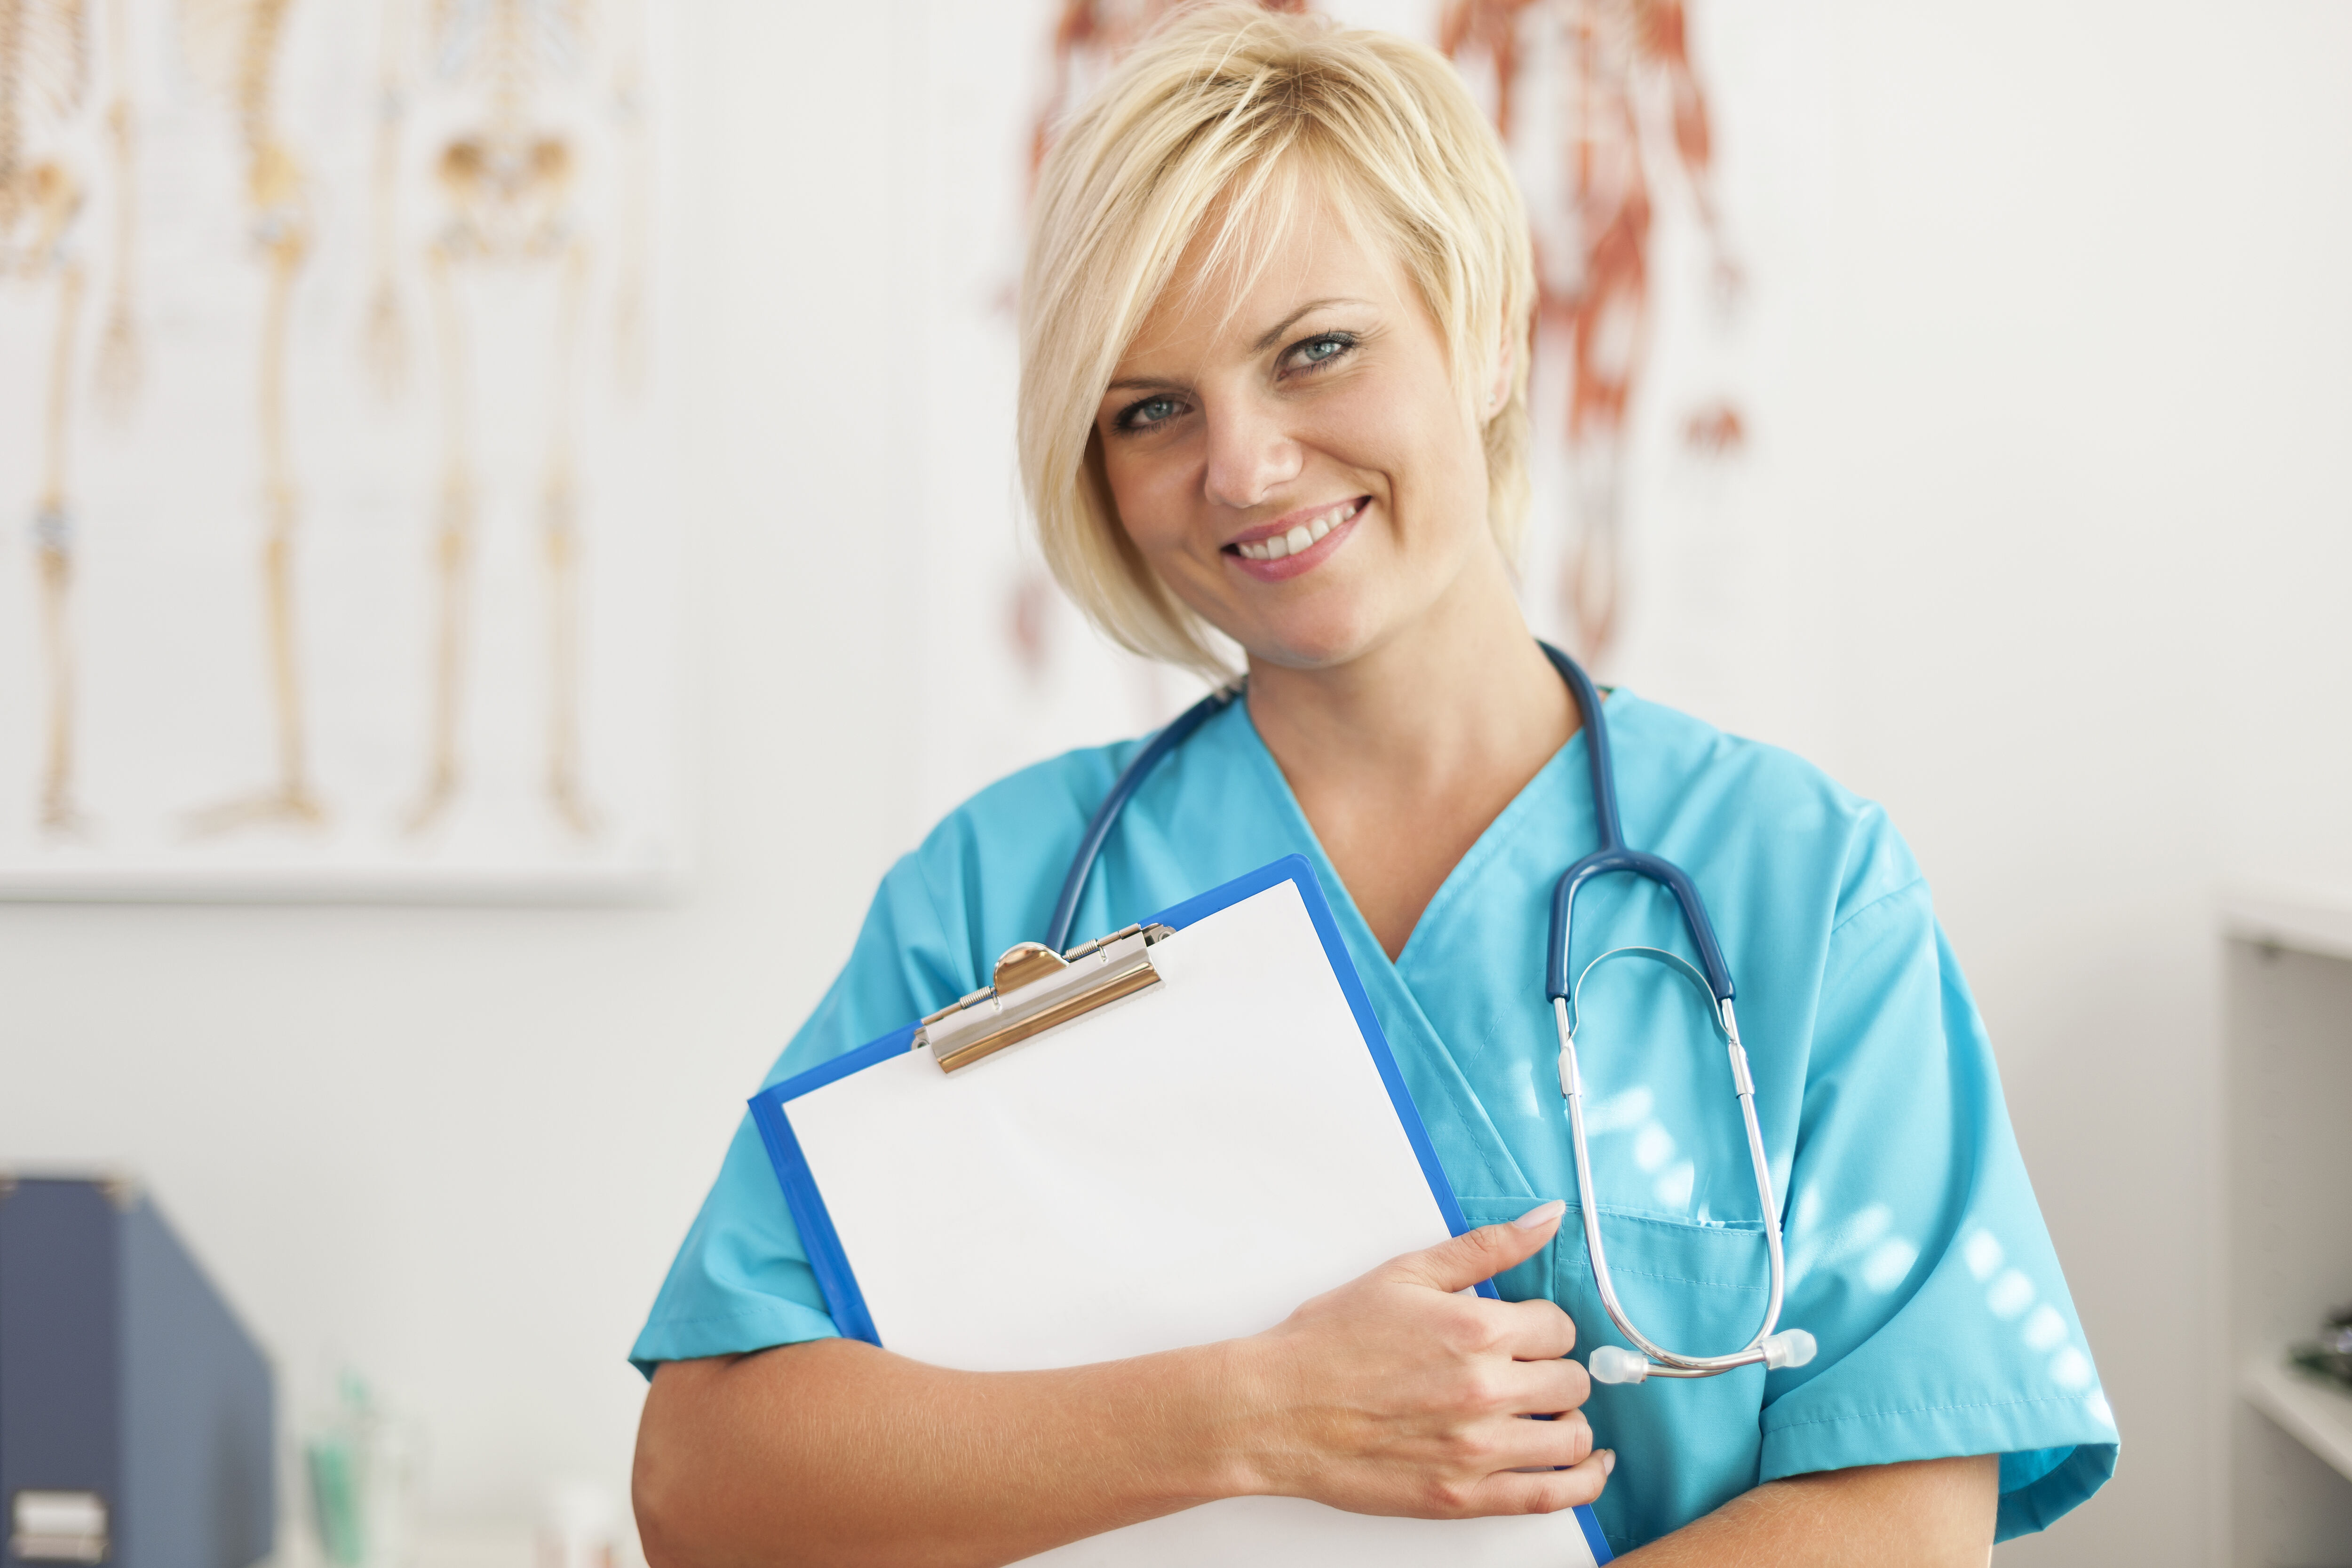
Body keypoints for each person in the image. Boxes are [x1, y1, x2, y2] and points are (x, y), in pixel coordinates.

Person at [627, 9, 2118, 1563]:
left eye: (1314, 350)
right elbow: (707, 1486)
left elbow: (1916, 1486)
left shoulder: (1799, 881)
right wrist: (1252, 1412)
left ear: (1479, 329)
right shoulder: (1000, 890)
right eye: (1153, 410)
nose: (1247, 466)